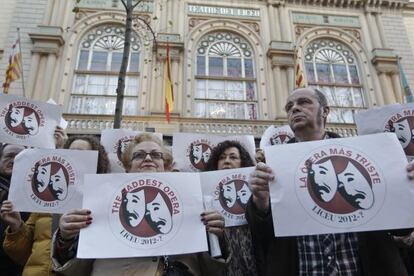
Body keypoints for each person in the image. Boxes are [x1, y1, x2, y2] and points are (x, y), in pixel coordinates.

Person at [246, 87, 414, 275]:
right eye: (289, 106)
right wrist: (260, 202)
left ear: (325, 111)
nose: (294, 109)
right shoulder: (271, 166)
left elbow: (403, 227)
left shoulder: (367, 157)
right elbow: (260, 235)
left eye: (304, 102)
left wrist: (409, 189)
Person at [52, 133, 229, 276]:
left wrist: (216, 237)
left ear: (165, 165)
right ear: (127, 168)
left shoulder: (191, 200)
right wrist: (65, 238)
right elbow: (76, 269)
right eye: (138, 155)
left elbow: (213, 269)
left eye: (156, 155)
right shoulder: (100, 198)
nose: (148, 159)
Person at [1, 134, 109, 276]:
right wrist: (17, 226)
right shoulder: (45, 200)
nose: (75, 158)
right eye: (71, 153)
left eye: (83, 155)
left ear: (96, 163)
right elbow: (24, 256)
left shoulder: (103, 202)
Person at [205, 140, 258, 276]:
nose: (227, 161)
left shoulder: (257, 191)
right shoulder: (204, 197)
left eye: (233, 157)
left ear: (243, 162)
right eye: (222, 158)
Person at [0, 143, 27, 276]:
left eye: (20, 157)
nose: (15, 160)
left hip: (18, 266)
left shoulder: (35, 194)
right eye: (9, 156)